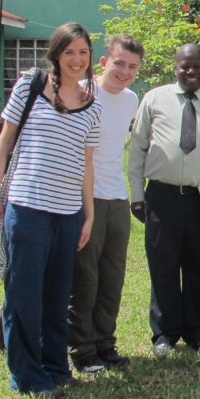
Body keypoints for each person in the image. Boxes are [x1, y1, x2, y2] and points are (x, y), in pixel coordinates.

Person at [0, 22, 102, 399]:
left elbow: (87, 163)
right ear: (56, 54)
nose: (77, 60)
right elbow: (3, 144)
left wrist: (89, 214)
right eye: (69, 52)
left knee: (56, 295)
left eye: (83, 52)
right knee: (24, 293)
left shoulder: (91, 103)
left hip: (67, 214)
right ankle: (27, 377)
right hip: (27, 207)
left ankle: (55, 367)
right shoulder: (31, 87)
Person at [128, 43, 200, 356]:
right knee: (163, 266)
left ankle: (195, 330)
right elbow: (138, 148)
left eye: (197, 67)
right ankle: (165, 333)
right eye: (184, 67)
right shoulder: (154, 99)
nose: (191, 72)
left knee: (199, 266)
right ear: (175, 68)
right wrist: (137, 194)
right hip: (162, 196)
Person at [67, 34, 143, 374]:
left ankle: (105, 343)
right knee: (85, 277)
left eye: (132, 67)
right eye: (119, 63)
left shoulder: (131, 100)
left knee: (112, 276)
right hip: (85, 197)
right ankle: (81, 349)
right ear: (103, 63)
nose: (124, 72)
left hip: (117, 196)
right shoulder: (80, 93)